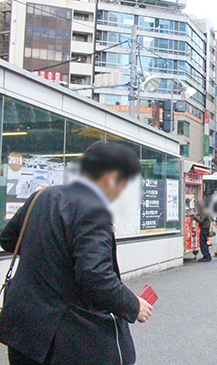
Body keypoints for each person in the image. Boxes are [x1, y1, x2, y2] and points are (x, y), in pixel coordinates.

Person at [0, 141, 152, 365]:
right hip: (64, 339)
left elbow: (8, 240)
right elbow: (95, 276)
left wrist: (50, 256)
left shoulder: (42, 195)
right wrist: (133, 305)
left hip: (24, 332)